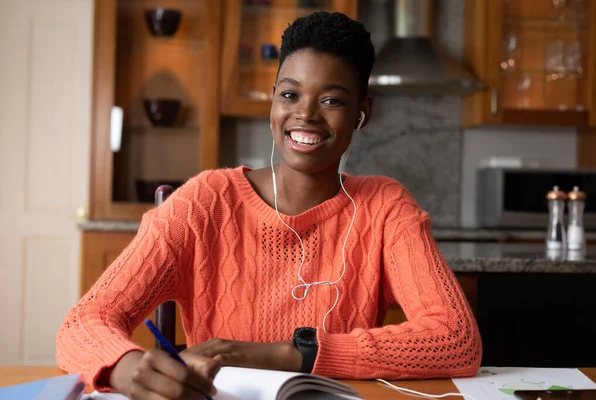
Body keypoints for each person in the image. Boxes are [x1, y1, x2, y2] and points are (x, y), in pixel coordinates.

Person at [56, 11, 482, 400]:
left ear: (361, 114)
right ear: (272, 100)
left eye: (331, 100)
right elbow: (81, 324)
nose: (306, 115)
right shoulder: (205, 202)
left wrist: (290, 354)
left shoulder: (384, 207)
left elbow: (456, 339)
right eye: (290, 94)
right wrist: (128, 369)